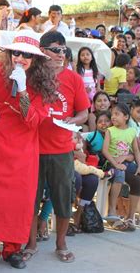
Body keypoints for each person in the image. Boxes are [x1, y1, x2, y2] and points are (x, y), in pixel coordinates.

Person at [0, 30, 57, 271]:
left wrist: (23, 89)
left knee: (18, 202)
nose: (20, 58)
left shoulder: (40, 83)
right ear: (8, 53)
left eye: (27, 55)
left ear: (35, 59)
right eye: (16, 52)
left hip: (23, 152)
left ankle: (12, 250)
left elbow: (32, 120)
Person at [20, 31, 90, 264]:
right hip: (33, 149)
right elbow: (21, 107)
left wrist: (74, 121)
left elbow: (84, 113)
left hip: (61, 149)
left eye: (64, 50)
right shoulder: (30, 77)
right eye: (56, 49)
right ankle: (30, 243)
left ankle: (61, 243)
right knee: (30, 199)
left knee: (62, 198)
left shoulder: (73, 79)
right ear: (42, 51)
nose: (62, 54)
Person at [102, 103, 140, 231]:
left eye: (117, 114)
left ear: (126, 117)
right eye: (112, 114)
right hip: (111, 163)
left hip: (126, 164)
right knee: (120, 174)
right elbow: (105, 151)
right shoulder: (110, 131)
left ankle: (130, 217)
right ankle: (112, 211)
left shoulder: (132, 131)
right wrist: (116, 163)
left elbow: (136, 151)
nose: (113, 117)